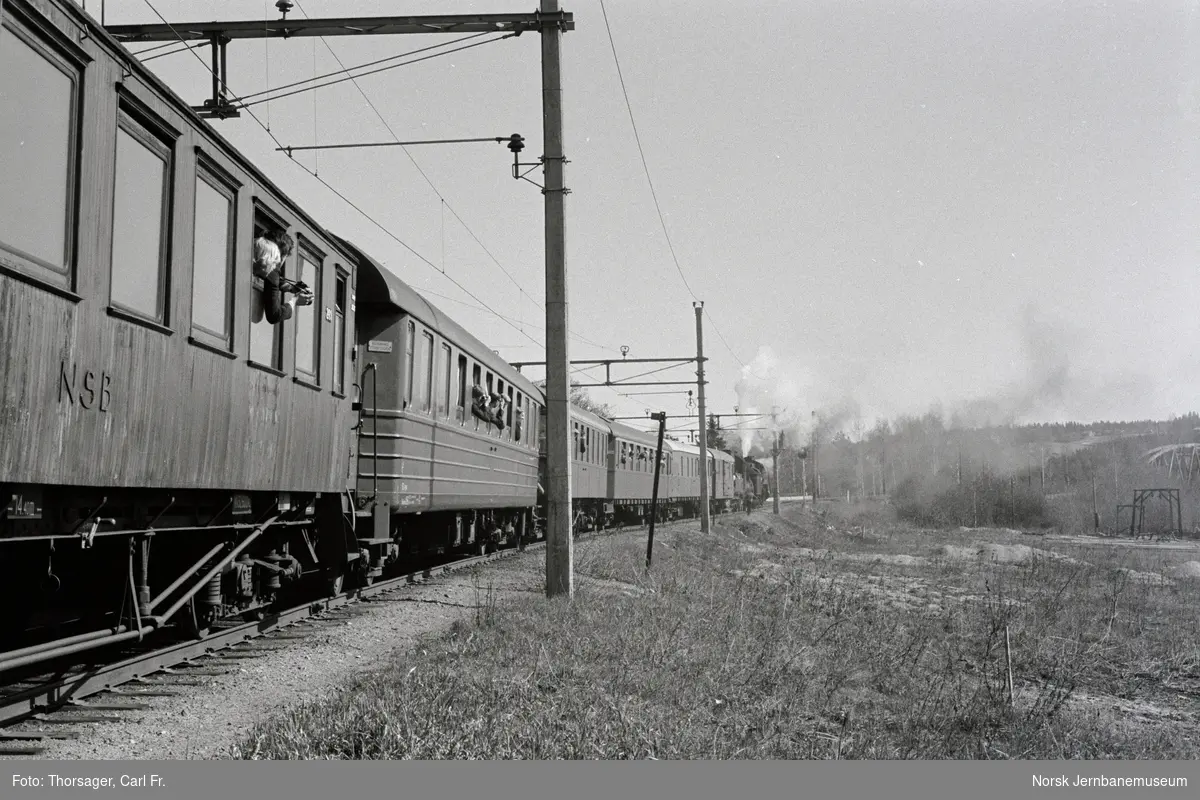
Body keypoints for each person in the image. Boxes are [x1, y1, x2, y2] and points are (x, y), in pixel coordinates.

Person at [253, 230, 313, 324]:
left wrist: (291, 287)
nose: (275, 265)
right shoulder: (272, 269)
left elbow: (268, 279)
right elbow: (275, 315)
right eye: (276, 261)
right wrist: (295, 301)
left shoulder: (255, 250)